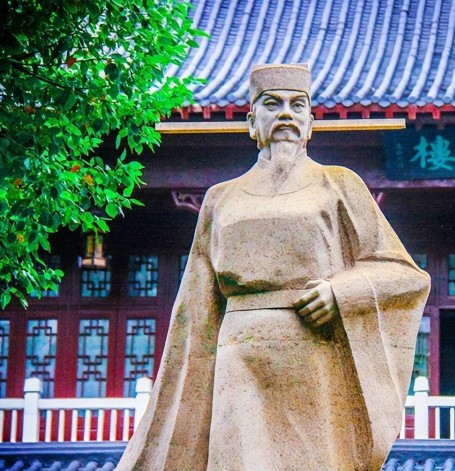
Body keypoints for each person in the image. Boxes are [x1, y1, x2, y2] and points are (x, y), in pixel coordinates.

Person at [117, 64, 430, 471]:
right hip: (239, 362)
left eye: (298, 105)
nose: (286, 114)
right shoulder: (220, 199)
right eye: (272, 104)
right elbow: (196, 307)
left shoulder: (338, 185)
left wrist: (342, 293)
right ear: (252, 122)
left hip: (314, 360)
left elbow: (403, 274)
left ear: (310, 123)